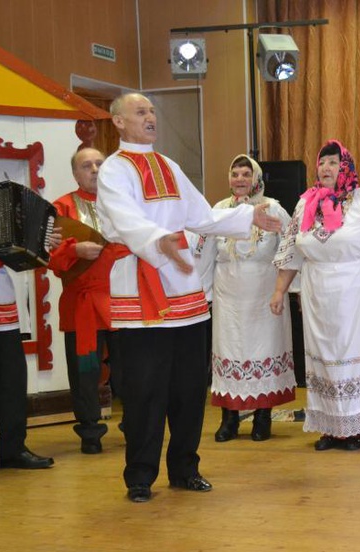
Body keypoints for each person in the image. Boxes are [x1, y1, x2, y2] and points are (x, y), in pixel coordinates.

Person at [96, 93, 285, 502]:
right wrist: (154, 239)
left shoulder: (168, 166)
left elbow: (200, 215)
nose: (150, 117)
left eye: (151, 111)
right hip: (139, 289)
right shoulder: (113, 170)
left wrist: (248, 214)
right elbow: (124, 218)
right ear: (118, 122)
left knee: (188, 387)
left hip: (184, 291)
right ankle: (140, 476)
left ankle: (184, 468)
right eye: (140, 112)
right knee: (145, 390)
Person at [270, 139, 360, 451]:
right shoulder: (305, 204)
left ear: (345, 166)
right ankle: (332, 427)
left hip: (357, 291)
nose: (326, 168)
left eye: (333, 163)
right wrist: (279, 290)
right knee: (324, 361)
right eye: (322, 163)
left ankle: (357, 426)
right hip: (318, 293)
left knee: (352, 359)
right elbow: (291, 252)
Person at [0, 122, 57, 482]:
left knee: (11, 381)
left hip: (2, 300)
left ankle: (12, 448)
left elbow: (19, 243)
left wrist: (43, 239)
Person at [192, 154, 296, 443]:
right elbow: (204, 253)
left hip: (264, 294)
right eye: (235, 173)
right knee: (230, 351)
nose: (239, 179)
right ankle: (230, 419)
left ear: (257, 178)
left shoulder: (272, 208)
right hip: (228, 295)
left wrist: (285, 288)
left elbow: (290, 245)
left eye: (245, 174)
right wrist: (203, 293)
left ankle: (262, 418)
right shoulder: (219, 210)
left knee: (264, 349)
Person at [49, 147, 121, 454]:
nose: (93, 169)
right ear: (76, 173)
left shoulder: (123, 204)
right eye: (85, 165)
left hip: (123, 302)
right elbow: (49, 259)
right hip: (84, 305)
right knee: (85, 372)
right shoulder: (61, 207)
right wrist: (74, 252)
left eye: (99, 164)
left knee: (132, 369)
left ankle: (137, 425)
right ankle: (90, 432)